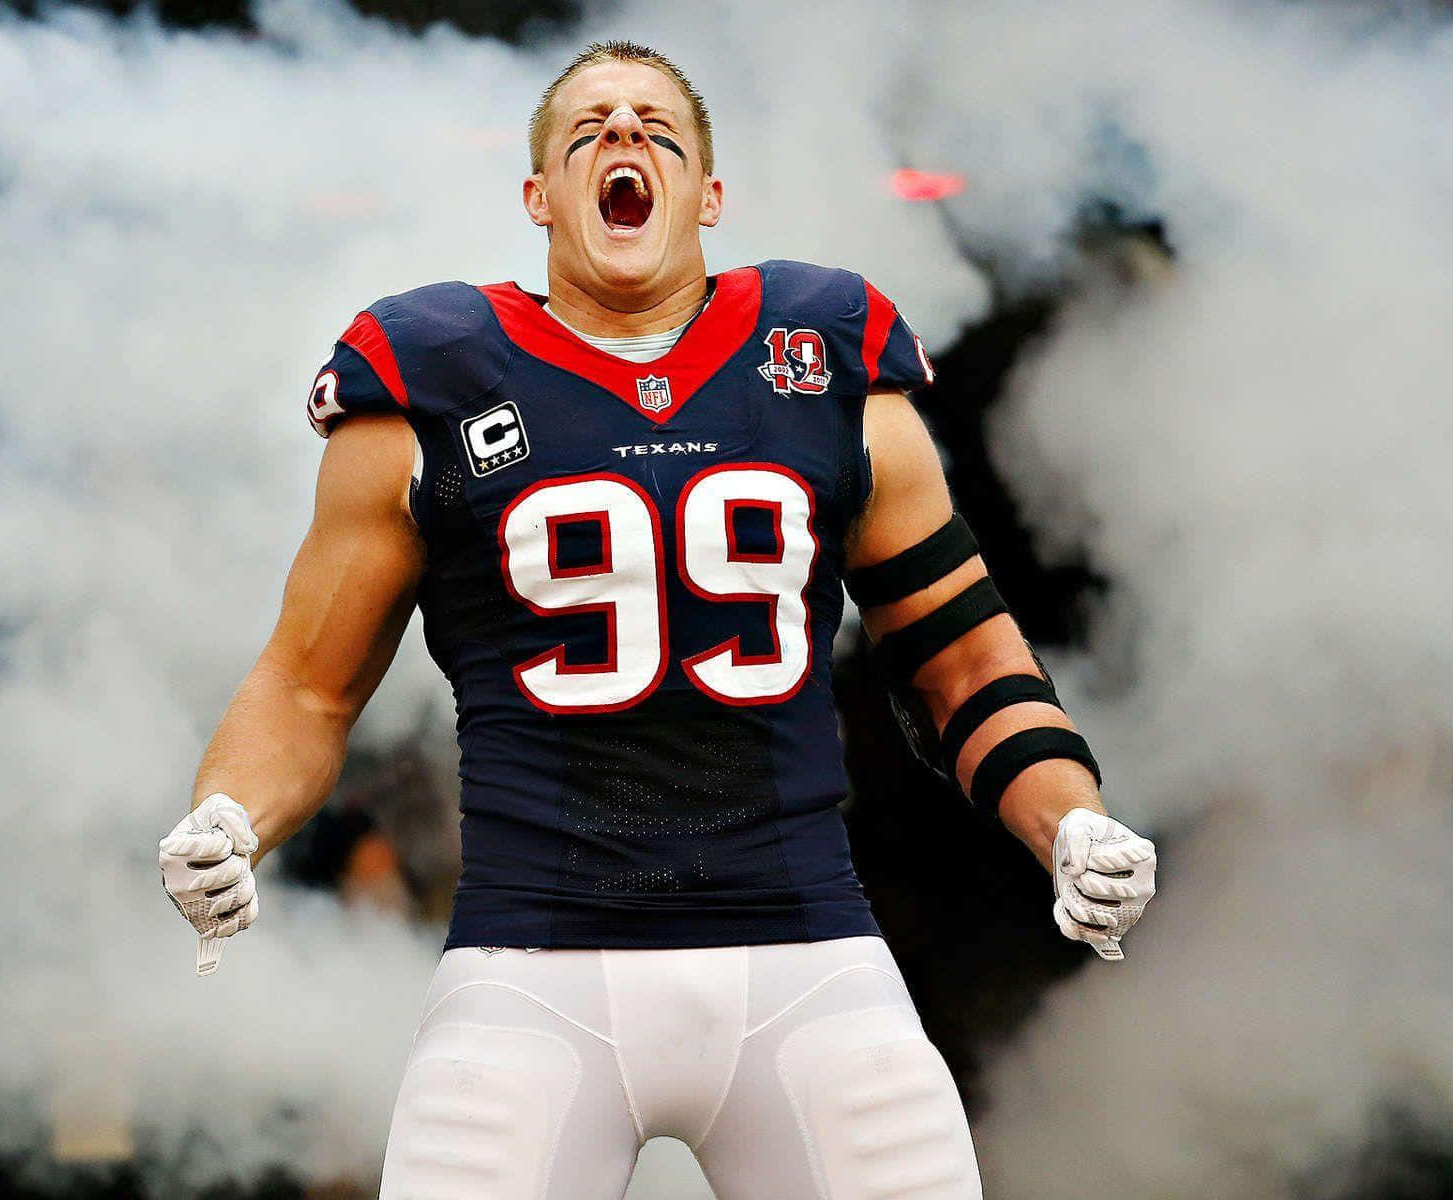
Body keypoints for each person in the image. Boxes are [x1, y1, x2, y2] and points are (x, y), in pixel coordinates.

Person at [158, 40, 1158, 1199]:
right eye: (588, 128)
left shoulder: (822, 355)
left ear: (709, 195)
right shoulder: (431, 375)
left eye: (656, 126)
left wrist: (1071, 820)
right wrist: (230, 816)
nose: (624, 133)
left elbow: (963, 659)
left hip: (808, 963)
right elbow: (306, 684)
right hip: (532, 975)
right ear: (539, 195)